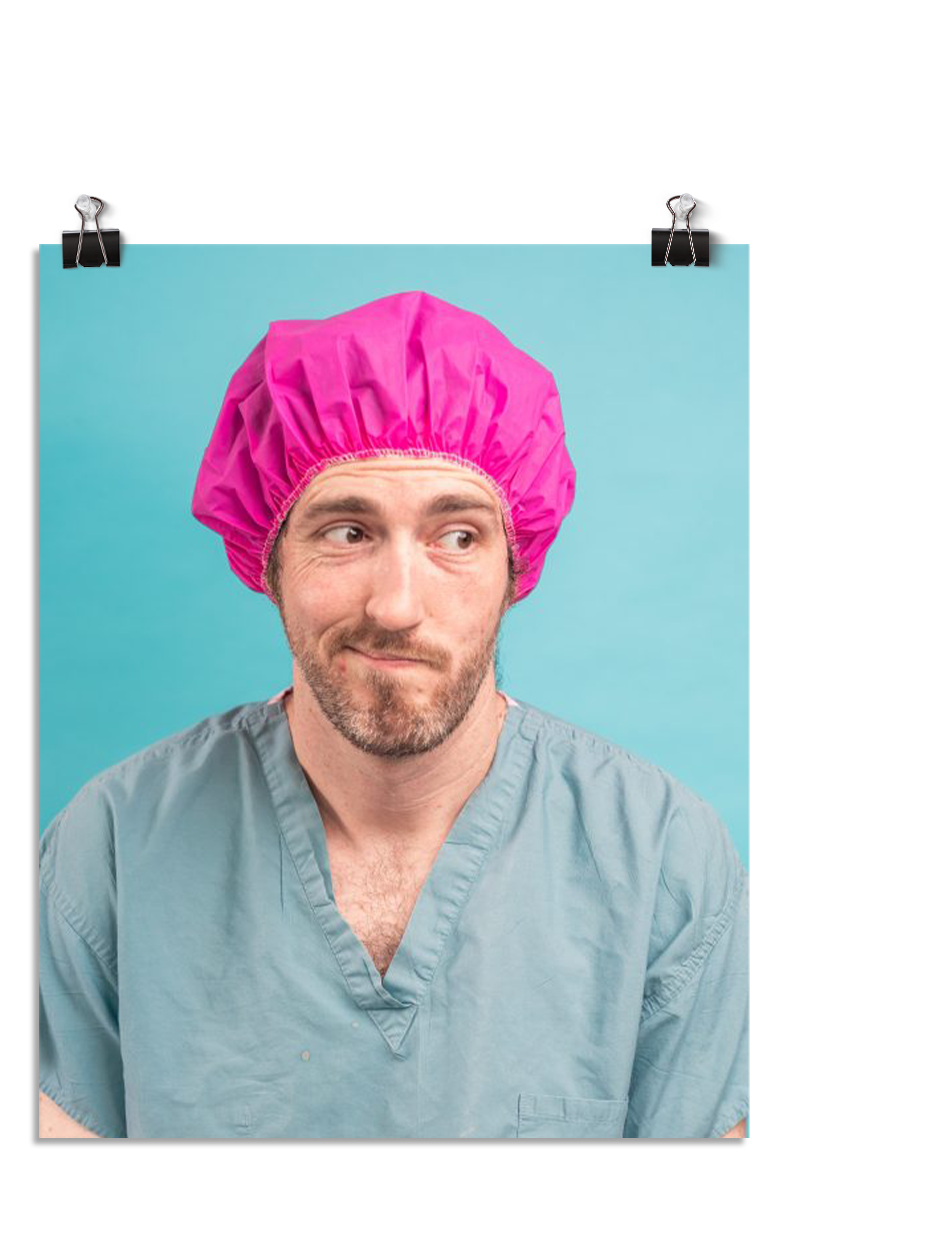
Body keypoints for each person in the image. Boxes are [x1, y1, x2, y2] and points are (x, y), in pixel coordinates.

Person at [38, 290, 748, 1140]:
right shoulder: (114, 848)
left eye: (457, 537)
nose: (397, 605)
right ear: (267, 558)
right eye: (346, 531)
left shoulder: (664, 857)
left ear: (516, 566)